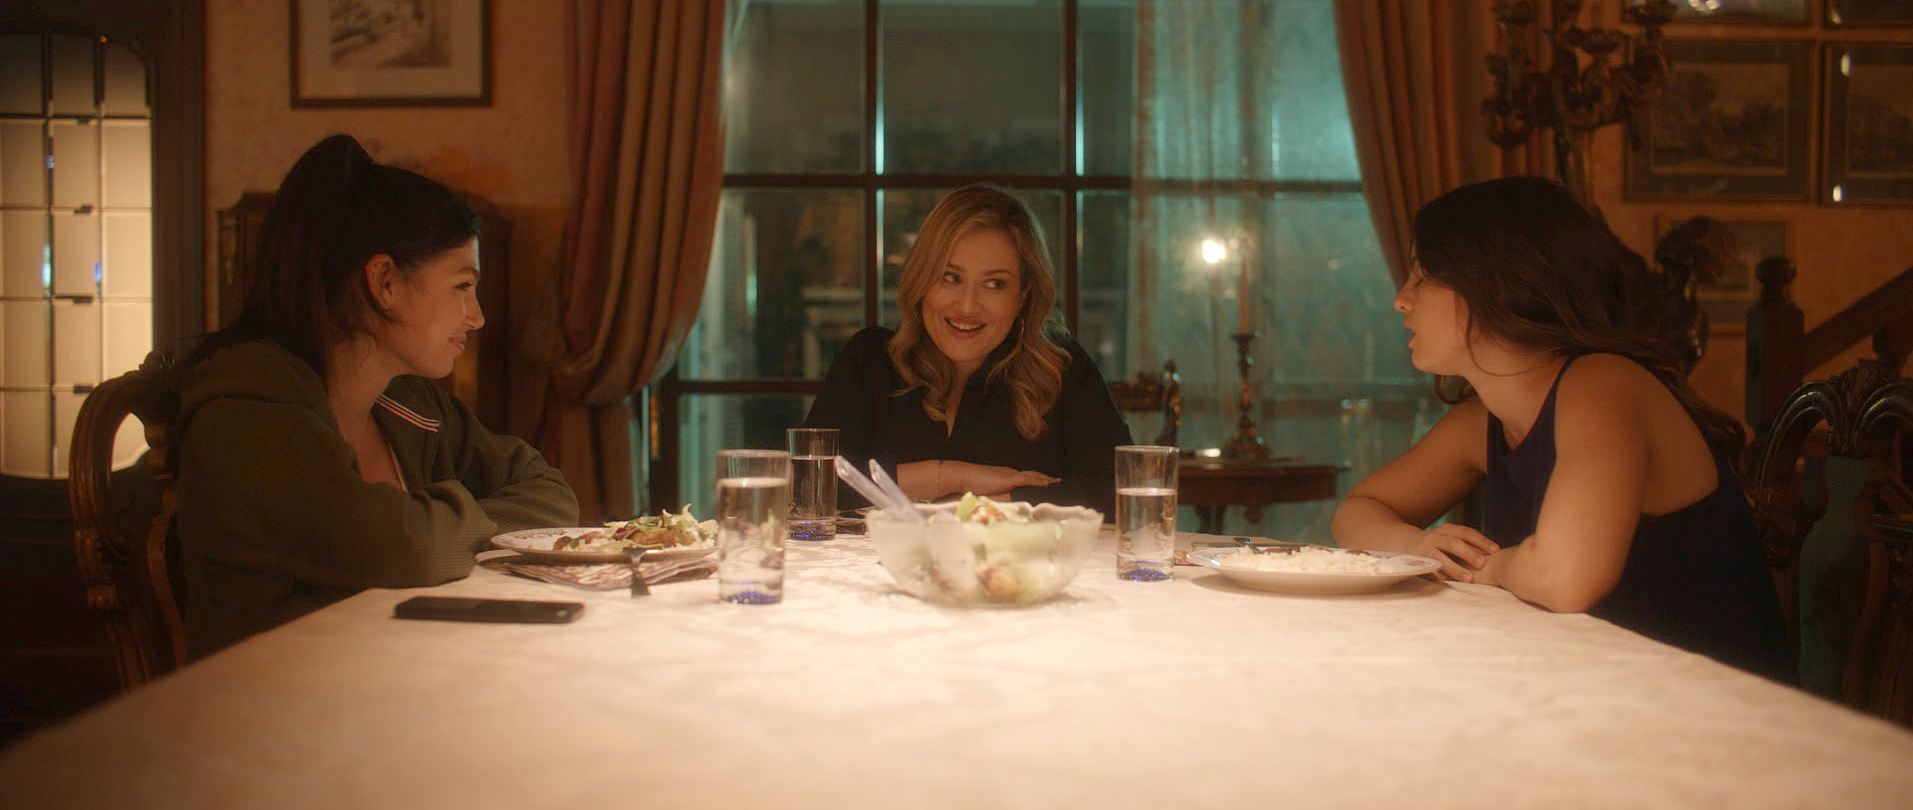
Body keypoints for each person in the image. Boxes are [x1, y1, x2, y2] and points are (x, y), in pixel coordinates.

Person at [1330, 176, 1791, 680]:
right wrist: (1414, 546)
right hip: (1593, 682)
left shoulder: (1602, 385)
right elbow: (1358, 510)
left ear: (1497, 282)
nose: (1401, 299)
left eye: (1422, 276)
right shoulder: (1483, 419)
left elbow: (1565, 578)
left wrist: (1486, 566)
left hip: (1715, 702)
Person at [175, 135, 578, 657]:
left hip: (397, 670)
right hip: (276, 694)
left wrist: (442, 529)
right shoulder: (244, 412)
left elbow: (552, 494)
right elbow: (404, 550)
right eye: (462, 286)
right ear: (385, 281)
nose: (477, 317)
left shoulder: (409, 403)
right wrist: (469, 529)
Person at [801, 183, 1132, 517]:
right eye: (950, 277)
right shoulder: (869, 358)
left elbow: (1123, 490)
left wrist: (990, 504)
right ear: (922, 281)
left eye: (995, 284)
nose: (967, 306)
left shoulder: (1061, 368)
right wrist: (954, 476)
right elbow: (810, 484)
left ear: (1024, 294)